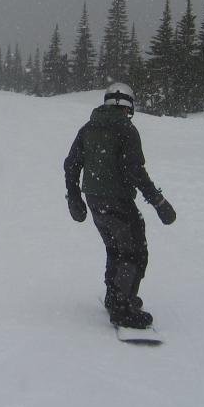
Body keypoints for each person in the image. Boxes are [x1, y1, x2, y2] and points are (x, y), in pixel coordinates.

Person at [63, 83, 176, 328]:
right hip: (118, 200)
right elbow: (135, 170)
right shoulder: (126, 129)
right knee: (134, 251)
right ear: (129, 107)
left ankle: (114, 297)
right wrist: (159, 201)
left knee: (116, 247)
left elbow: (71, 164)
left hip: (95, 201)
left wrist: (74, 197)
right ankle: (123, 307)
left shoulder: (88, 127)